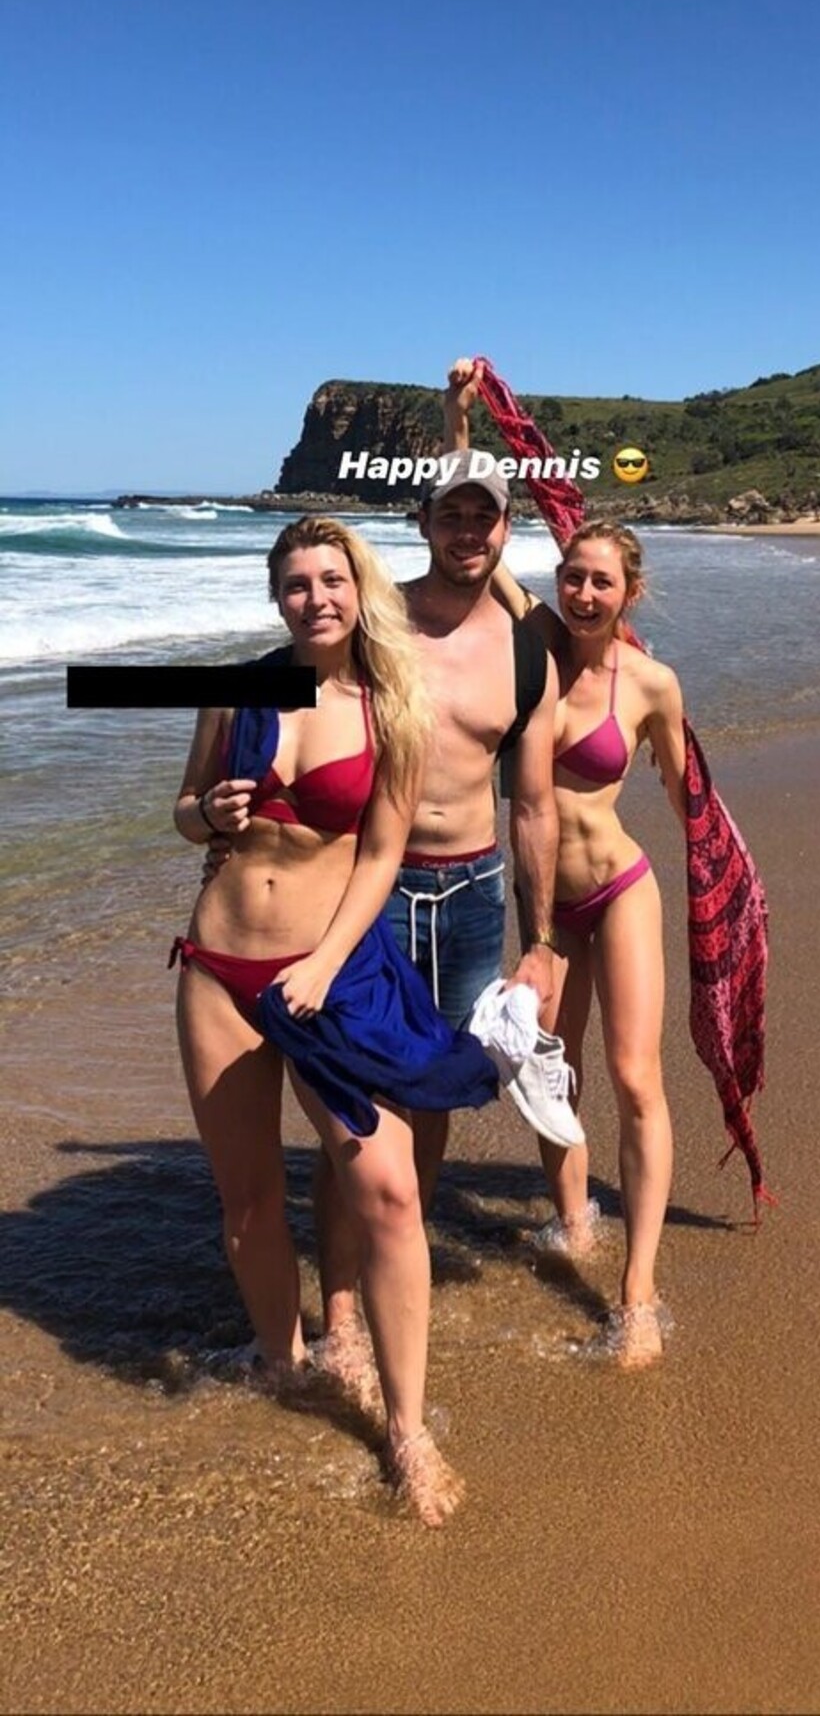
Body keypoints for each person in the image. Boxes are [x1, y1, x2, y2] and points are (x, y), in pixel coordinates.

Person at [172, 515, 498, 1526]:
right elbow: (182, 807)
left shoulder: (393, 704)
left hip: (329, 971)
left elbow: (383, 853)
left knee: (388, 1191)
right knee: (248, 1201)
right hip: (220, 970)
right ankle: (287, 1365)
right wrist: (209, 816)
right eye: (296, 582)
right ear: (276, 596)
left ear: (359, 589)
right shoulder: (237, 689)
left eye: (332, 578)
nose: (315, 596)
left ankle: (407, 1428)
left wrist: (320, 963)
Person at [313, 362, 562, 1371]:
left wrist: (542, 942)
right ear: (421, 522)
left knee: (432, 1092)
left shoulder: (529, 648)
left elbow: (533, 803)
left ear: (504, 530)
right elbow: (293, 689)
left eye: (484, 516)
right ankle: (339, 1310)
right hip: (372, 888)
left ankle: (400, 1264)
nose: (468, 529)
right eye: (450, 513)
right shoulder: (377, 625)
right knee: (353, 1101)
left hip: (473, 896)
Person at [492, 518, 688, 1369]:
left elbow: (686, 791)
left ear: (629, 593)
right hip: (546, 905)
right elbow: (480, 558)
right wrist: (458, 442)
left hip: (619, 890)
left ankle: (637, 1294)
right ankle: (574, 1219)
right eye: (573, 575)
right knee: (550, 1073)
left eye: (602, 581)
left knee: (635, 1075)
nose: (584, 593)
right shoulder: (535, 640)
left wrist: (726, 884)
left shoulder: (651, 684)